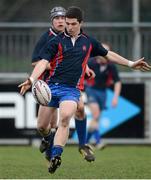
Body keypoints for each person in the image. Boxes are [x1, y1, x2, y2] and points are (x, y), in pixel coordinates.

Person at [19, 6, 151, 173]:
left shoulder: (88, 42)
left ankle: (56, 155)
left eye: (73, 23)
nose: (69, 26)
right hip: (51, 88)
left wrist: (131, 63)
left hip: (71, 90)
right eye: (67, 23)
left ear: (81, 23)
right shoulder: (55, 41)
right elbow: (43, 63)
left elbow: (108, 54)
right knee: (42, 127)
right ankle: (48, 139)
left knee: (66, 117)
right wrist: (31, 79)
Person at [31, 6, 95, 163]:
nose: (60, 21)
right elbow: (35, 61)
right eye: (57, 18)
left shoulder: (74, 36)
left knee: (79, 109)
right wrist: (53, 64)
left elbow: (76, 56)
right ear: (52, 21)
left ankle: (82, 145)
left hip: (70, 84)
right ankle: (49, 140)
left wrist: (85, 67)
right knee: (45, 125)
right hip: (48, 84)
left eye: (62, 18)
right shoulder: (47, 38)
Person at [85, 43, 122, 149]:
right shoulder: (91, 62)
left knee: (96, 120)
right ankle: (97, 141)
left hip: (103, 93)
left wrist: (115, 97)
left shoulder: (111, 66)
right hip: (91, 91)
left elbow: (117, 82)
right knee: (96, 116)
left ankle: (86, 142)